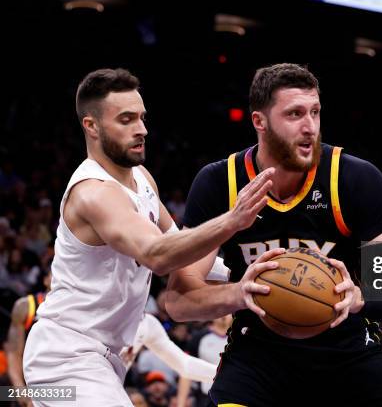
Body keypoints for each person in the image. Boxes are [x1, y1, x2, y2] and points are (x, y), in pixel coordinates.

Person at [166, 63, 382, 406]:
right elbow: (178, 302)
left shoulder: (355, 177)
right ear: (260, 121)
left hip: (345, 348)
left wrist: (359, 296)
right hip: (258, 352)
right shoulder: (218, 183)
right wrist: (241, 294)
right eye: (295, 114)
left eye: (315, 112)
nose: (310, 127)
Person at [22, 68, 273, 406]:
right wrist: (232, 221)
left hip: (105, 358)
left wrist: (258, 271)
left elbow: (183, 248)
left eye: (141, 118)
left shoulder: (141, 178)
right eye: (126, 120)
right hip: (66, 357)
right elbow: (158, 254)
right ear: (91, 126)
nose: (141, 129)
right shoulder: (93, 193)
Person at [4, 271, 51, 407]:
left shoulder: (76, 310)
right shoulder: (26, 306)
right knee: (6, 393)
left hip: (61, 379)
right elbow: (13, 353)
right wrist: (20, 389)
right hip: (28, 377)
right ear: (46, 280)